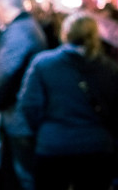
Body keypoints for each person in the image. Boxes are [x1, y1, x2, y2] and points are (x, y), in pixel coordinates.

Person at [16, 11, 118, 190]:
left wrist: (43, 132)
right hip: (97, 147)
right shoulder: (109, 68)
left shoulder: (43, 64)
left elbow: (29, 105)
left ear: (65, 33)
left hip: (53, 146)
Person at [0, 0, 47, 190]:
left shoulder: (20, 31)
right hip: (23, 113)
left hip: (20, 115)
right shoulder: (26, 28)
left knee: (23, 175)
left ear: (5, 5)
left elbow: (7, 72)